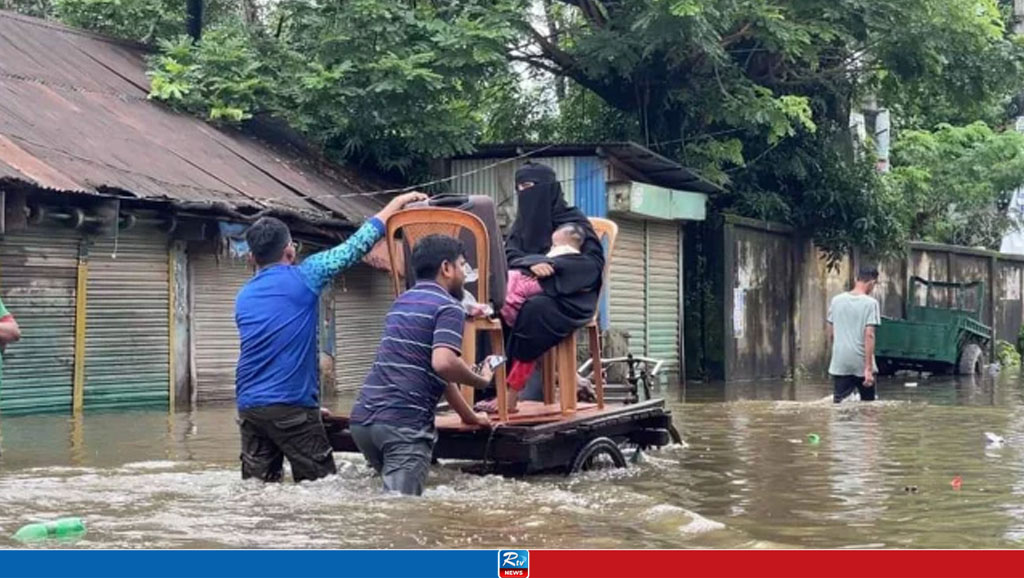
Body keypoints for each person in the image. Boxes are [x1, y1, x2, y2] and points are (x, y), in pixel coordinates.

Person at [234, 191, 425, 483]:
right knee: (320, 488)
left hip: (250, 408)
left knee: (258, 491)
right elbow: (357, 245)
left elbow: (272, 351)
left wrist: (307, 405)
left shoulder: (243, 296)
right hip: (291, 408)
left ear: (251, 257)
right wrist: (397, 204)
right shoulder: (305, 275)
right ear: (290, 251)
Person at [349, 234, 494, 496]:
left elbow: (438, 376)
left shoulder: (400, 303)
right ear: (446, 268)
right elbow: (444, 363)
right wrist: (481, 380)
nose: (464, 273)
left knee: (387, 505)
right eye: (462, 265)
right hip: (403, 425)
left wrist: (470, 417)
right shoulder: (449, 307)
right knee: (401, 516)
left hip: (363, 422)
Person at [490, 162, 604, 411]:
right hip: (528, 291)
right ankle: (489, 387)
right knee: (492, 306)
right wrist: (533, 263)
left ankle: (511, 394)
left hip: (570, 298)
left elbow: (592, 266)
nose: (524, 193)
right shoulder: (521, 226)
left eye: (529, 187)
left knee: (534, 309)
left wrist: (553, 268)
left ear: (548, 189)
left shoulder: (574, 223)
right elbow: (508, 255)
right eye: (519, 188)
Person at [500, 223, 585, 327]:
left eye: (555, 245)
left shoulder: (564, 252)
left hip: (544, 284)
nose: (552, 248)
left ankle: (510, 312)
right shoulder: (578, 259)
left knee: (513, 281)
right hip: (542, 284)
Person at [828, 266, 881, 403]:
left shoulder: (836, 301)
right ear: (872, 283)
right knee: (868, 407)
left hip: (840, 362)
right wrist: (868, 369)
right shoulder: (871, 304)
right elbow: (869, 335)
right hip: (861, 363)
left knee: (840, 406)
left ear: (856, 279)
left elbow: (831, 333)